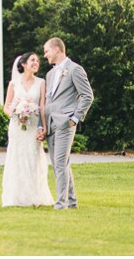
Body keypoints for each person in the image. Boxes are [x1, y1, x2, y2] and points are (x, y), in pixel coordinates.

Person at [41, 37, 94, 210]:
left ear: (57, 49)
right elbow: (48, 101)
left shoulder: (75, 70)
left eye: (46, 51)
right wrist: (42, 125)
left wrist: (75, 118)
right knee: (59, 164)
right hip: (50, 123)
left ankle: (60, 204)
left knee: (61, 162)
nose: (45, 55)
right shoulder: (50, 74)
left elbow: (87, 95)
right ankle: (71, 201)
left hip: (65, 123)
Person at [1, 51, 54, 207]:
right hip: (17, 128)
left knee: (33, 159)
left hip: (32, 127)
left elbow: (43, 106)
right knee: (17, 159)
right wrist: (16, 113)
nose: (36, 63)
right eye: (32, 60)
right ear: (23, 64)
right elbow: (6, 107)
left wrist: (43, 127)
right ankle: (16, 197)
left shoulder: (41, 82)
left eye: (37, 61)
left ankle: (34, 196)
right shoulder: (13, 84)